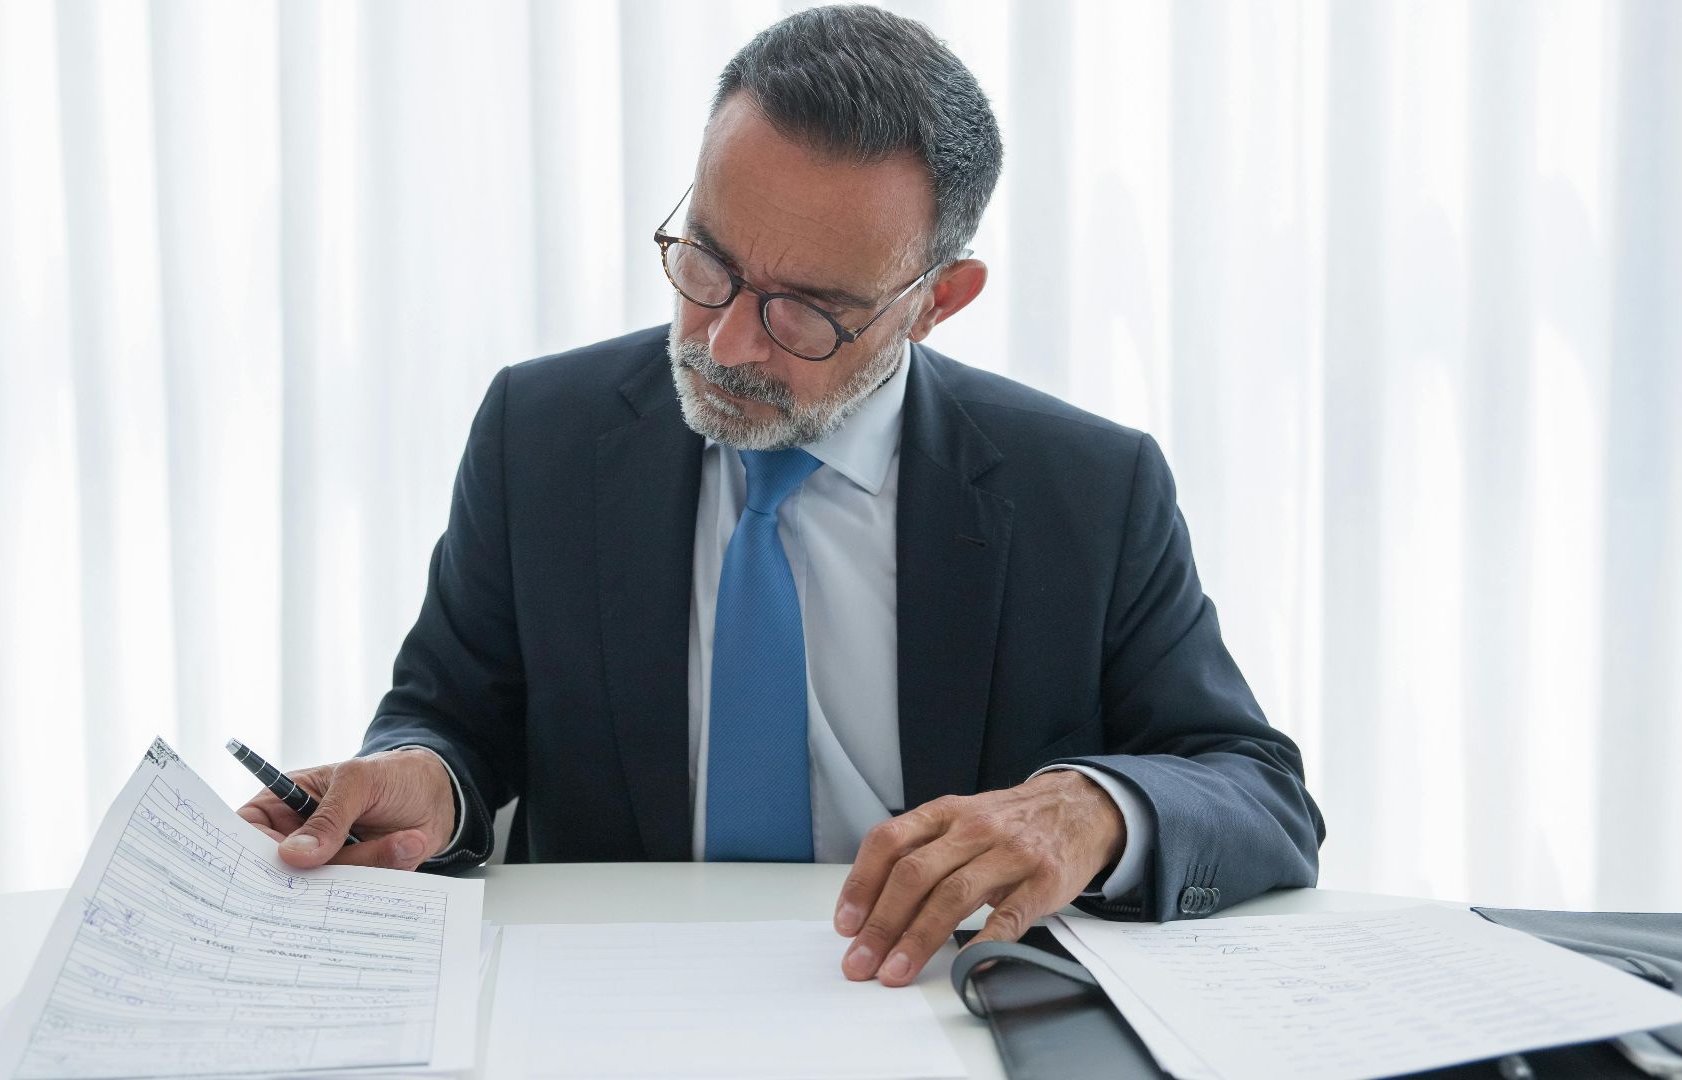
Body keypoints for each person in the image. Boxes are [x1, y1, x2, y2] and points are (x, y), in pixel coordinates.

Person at [237, 3, 1324, 989]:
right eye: (706, 263)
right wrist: (427, 780)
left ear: (936, 301)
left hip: (931, 1011)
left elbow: (1260, 792)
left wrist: (1091, 810)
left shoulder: (1086, 488)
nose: (722, 343)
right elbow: (453, 715)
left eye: (805, 311)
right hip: (602, 1004)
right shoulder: (541, 432)